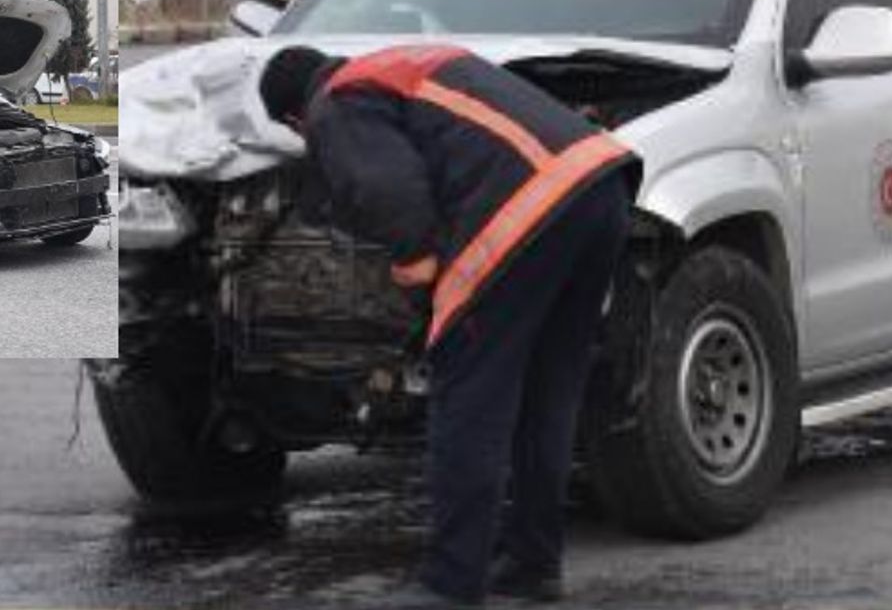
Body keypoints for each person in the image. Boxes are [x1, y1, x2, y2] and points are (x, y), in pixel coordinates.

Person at [259, 45, 641, 609]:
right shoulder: (402, 64)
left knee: (468, 405)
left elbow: (385, 189)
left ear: (296, 119)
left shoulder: (335, 103)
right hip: (598, 187)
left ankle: (451, 583)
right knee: (547, 398)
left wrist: (416, 272)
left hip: (523, 213)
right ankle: (532, 565)